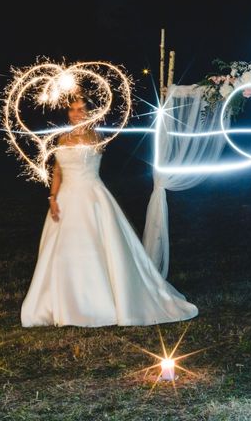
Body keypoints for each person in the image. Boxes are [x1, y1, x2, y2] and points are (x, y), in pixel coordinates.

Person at [21, 89, 198, 327]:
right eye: (72, 109)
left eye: (81, 109)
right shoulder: (62, 139)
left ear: (91, 112)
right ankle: (62, 302)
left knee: (94, 247)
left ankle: (97, 303)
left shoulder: (96, 137)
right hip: (65, 200)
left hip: (91, 198)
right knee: (62, 251)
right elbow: (58, 170)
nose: (75, 114)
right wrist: (52, 198)